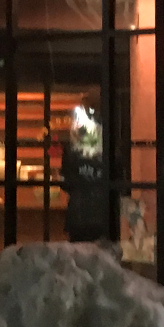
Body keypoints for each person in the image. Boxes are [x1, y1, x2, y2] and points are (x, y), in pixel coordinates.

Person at [60, 95, 107, 242]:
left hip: (78, 214)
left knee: (79, 252)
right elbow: (119, 179)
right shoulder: (111, 146)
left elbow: (66, 182)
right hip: (104, 213)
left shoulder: (72, 148)